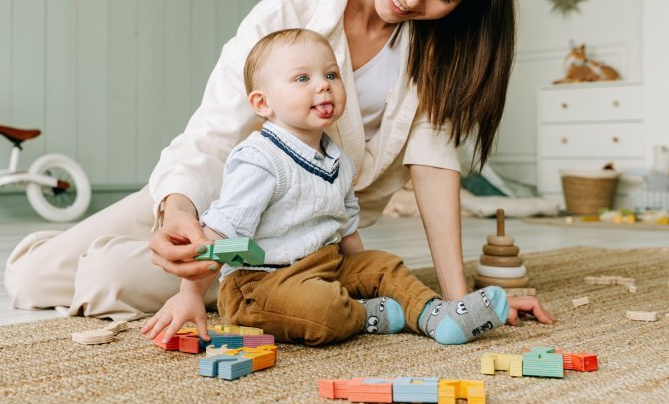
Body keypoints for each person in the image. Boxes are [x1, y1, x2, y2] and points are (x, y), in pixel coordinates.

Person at [4, 0, 553, 326]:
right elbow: (212, 135)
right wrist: (176, 211)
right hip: (220, 192)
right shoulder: (296, 6)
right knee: (29, 279)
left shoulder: (437, 52)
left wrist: (458, 301)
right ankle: (130, 245)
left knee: (106, 278)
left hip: (298, 238)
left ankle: (266, 285)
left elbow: (434, 168)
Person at [142, 28, 511, 346]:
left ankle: (437, 316)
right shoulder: (260, 159)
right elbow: (221, 234)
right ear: (262, 103)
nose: (323, 85)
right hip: (260, 286)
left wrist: (366, 276)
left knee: (385, 265)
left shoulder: (338, 158)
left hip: (324, 265)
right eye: (303, 79)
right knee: (323, 307)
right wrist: (190, 294)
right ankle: (364, 315)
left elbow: (346, 227)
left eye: (331, 75)